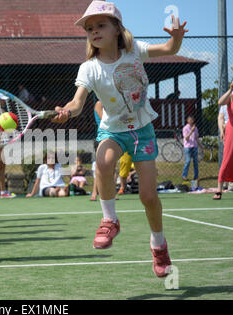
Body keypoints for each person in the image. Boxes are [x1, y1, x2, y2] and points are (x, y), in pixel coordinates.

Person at [52, 1, 188, 277]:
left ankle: (158, 246)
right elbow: (78, 102)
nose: (94, 31)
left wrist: (176, 39)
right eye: (89, 28)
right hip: (112, 129)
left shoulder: (134, 51)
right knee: (104, 160)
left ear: (117, 28)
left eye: (101, 25)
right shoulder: (88, 68)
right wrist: (68, 110)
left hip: (141, 130)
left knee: (149, 196)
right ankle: (109, 219)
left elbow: (169, 50)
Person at [181, 115, 202, 183]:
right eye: (190, 119)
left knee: (195, 162)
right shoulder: (185, 128)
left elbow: (196, 138)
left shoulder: (195, 128)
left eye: (192, 120)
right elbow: (186, 138)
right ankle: (184, 176)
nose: (191, 121)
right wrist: (191, 131)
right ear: (187, 120)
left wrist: (201, 146)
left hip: (194, 146)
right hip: (188, 147)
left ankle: (196, 176)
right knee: (187, 161)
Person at [90, 100, 102, 201]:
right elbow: (106, 121)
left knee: (112, 168)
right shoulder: (99, 103)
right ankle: (94, 192)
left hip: (114, 138)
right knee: (99, 167)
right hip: (102, 138)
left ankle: (112, 193)